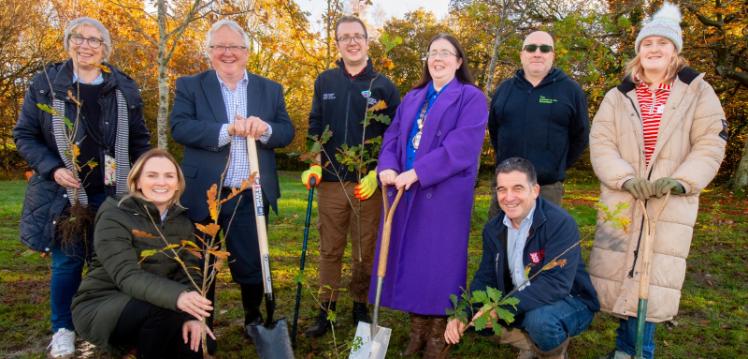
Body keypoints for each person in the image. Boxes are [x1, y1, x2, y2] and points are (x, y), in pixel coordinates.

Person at [588, 3, 727, 358]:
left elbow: (711, 142)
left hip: (669, 202)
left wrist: (680, 181)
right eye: (647, 43)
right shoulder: (618, 97)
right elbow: (601, 143)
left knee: (652, 276)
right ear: (638, 50)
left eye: (662, 44)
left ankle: (639, 352)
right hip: (625, 198)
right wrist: (626, 178)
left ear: (674, 50)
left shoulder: (698, 93)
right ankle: (624, 349)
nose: (653, 49)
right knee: (623, 274)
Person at [13, 17, 150, 358]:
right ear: (68, 42)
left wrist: (143, 177)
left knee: (108, 263)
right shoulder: (45, 83)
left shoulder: (124, 88)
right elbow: (25, 135)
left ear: (105, 48)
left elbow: (139, 141)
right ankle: (63, 329)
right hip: (65, 196)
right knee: (67, 264)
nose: (86, 45)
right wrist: (52, 168)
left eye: (95, 40)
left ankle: (99, 324)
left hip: (112, 192)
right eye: (79, 38)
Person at [169, 19, 294, 350]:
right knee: (201, 263)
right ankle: (201, 324)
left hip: (249, 193)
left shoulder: (270, 89)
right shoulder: (190, 86)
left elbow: (286, 132)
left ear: (247, 52)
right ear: (209, 52)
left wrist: (264, 128)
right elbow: (179, 127)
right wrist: (227, 130)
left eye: (234, 47)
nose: (227, 53)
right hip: (204, 194)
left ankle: (253, 319)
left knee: (251, 263)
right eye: (219, 47)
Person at [372, 33, 487, 358]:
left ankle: (438, 338)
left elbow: (462, 147)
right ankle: (417, 334)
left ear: (459, 61)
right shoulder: (413, 97)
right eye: (433, 52)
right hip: (405, 194)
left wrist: (419, 172)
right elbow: (393, 137)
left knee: (439, 266)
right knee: (411, 263)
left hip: (444, 196)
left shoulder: (471, 97)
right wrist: (388, 166)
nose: (438, 58)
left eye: (445, 53)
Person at [300, 15, 400, 337]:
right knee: (330, 248)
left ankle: (360, 303)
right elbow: (315, 125)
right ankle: (325, 309)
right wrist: (316, 162)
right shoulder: (324, 81)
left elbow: (394, 136)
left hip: (367, 184)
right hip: (330, 181)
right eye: (345, 37)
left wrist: (377, 172)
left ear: (367, 41)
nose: (352, 42)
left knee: (364, 249)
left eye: (357, 36)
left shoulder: (384, 85)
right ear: (338, 43)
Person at [444, 157, 599, 359]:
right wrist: (463, 314)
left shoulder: (559, 223)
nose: (509, 197)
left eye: (517, 188)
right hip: (521, 300)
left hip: (570, 300)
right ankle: (531, 346)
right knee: (476, 319)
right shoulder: (494, 228)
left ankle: (553, 353)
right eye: (502, 189)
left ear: (534, 190)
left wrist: (502, 309)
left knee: (540, 322)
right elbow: (485, 277)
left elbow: (556, 285)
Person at [72, 149, 213, 358]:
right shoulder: (114, 213)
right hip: (105, 301)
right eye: (152, 175)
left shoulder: (182, 221)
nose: (161, 182)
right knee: (162, 313)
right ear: (137, 181)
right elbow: (126, 275)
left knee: (197, 344)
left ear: (178, 183)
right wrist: (178, 297)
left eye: (169, 176)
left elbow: (189, 272)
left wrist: (192, 316)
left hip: (159, 300)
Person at [487, 30, 589, 217]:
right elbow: (494, 131)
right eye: (531, 48)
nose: (537, 53)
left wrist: (554, 166)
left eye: (544, 49)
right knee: (499, 244)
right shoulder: (504, 90)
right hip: (505, 189)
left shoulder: (571, 91)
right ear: (522, 54)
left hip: (546, 190)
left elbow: (580, 137)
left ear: (553, 55)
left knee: (541, 246)